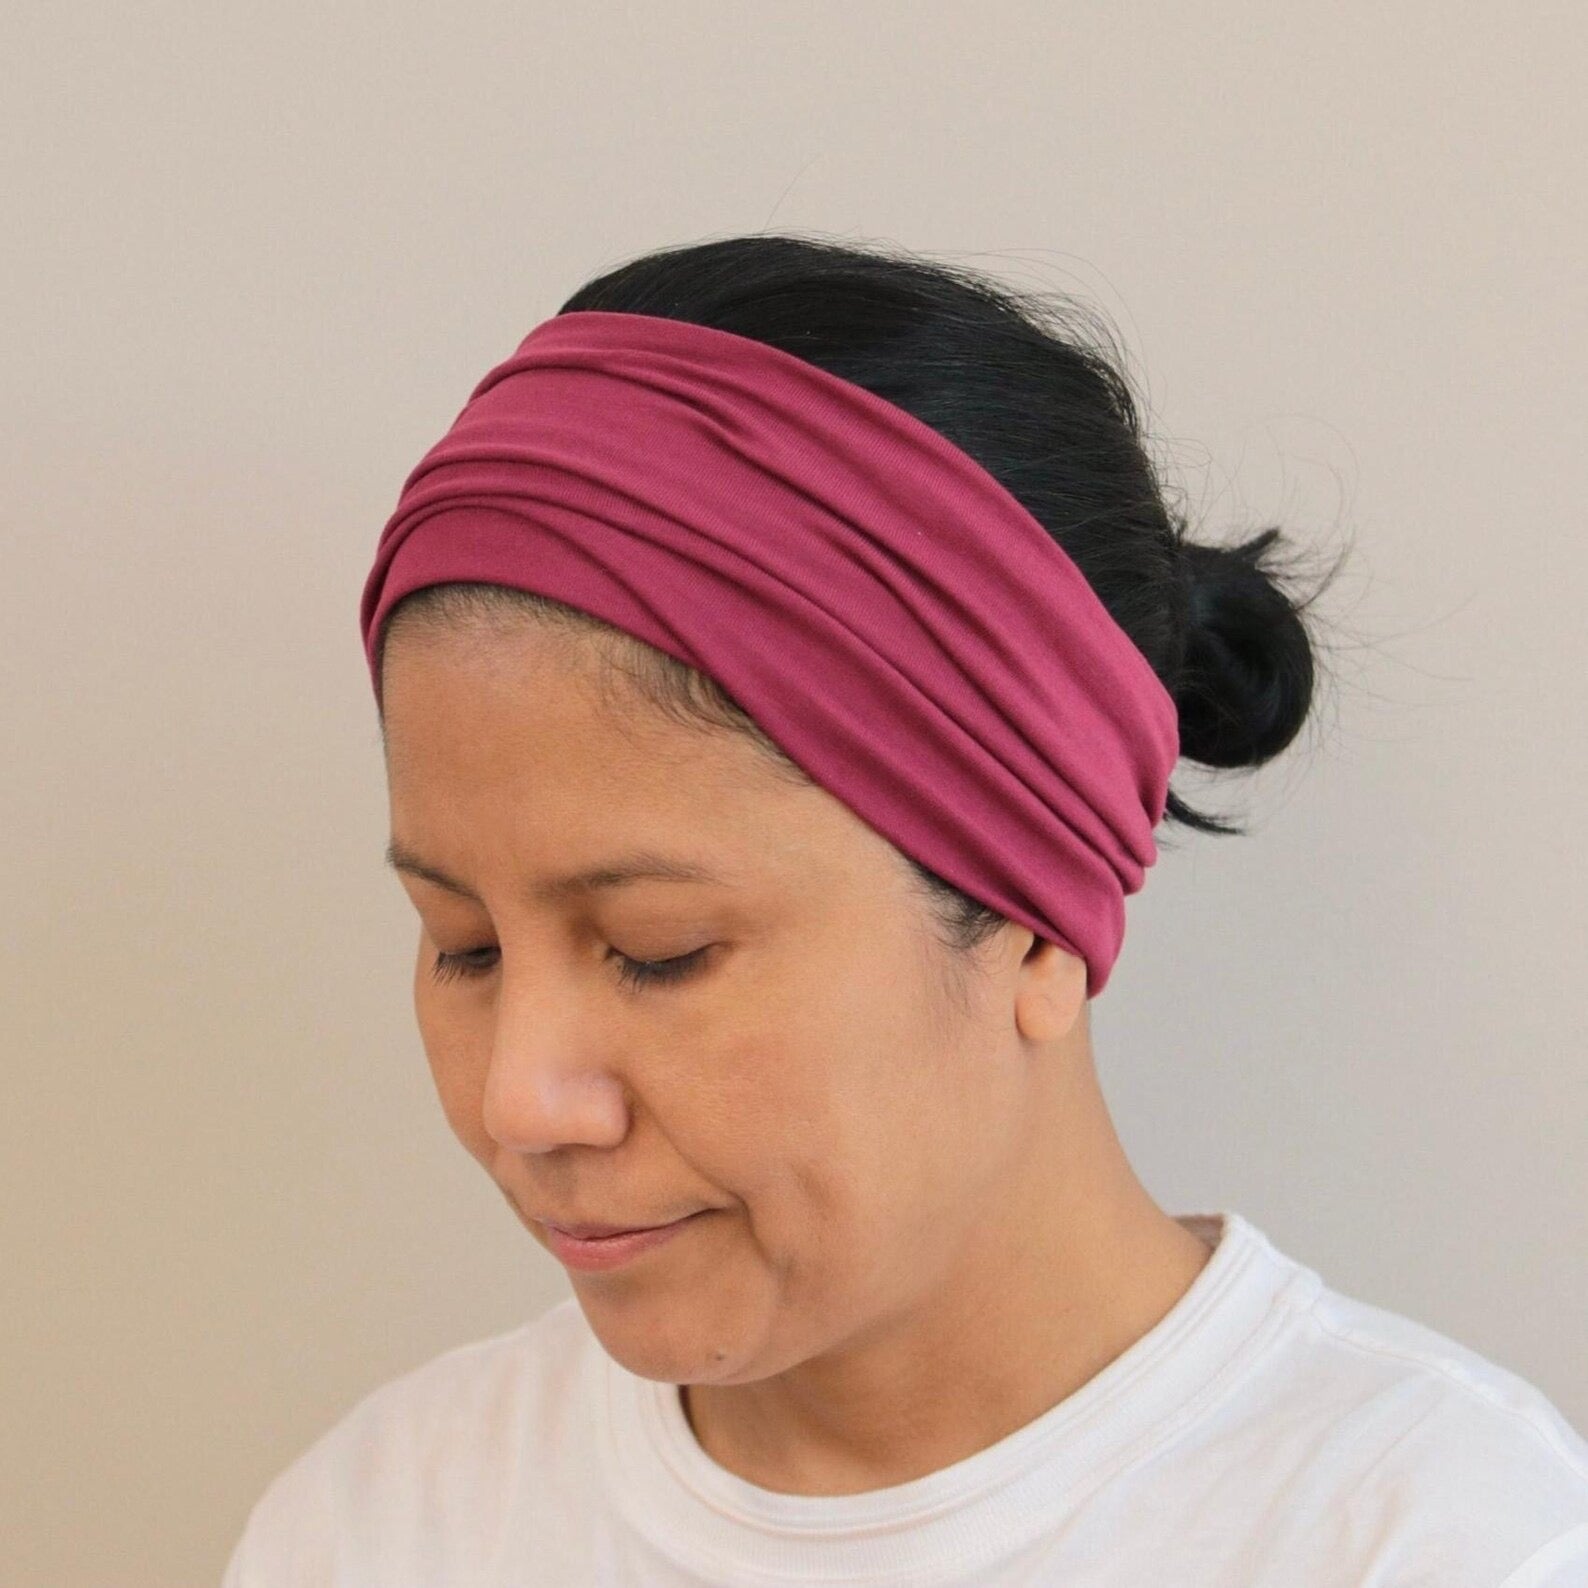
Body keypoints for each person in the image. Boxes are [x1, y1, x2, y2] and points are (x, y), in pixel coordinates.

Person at [222, 233, 1588, 1586]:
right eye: (464, 947)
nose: (520, 1102)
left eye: (658, 953)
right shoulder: (376, 1528)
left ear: (1033, 924)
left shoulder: (1442, 1544)